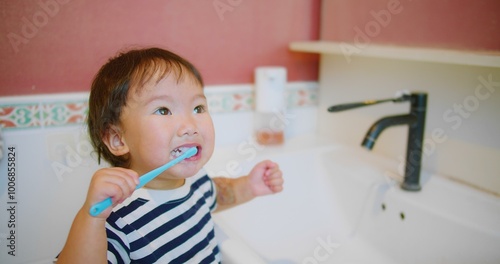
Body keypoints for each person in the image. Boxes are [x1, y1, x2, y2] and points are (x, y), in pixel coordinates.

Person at [56, 47, 284, 263]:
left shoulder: (196, 181)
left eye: (198, 108)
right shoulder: (119, 217)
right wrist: (92, 219)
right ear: (118, 139)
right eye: (163, 110)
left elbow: (218, 194)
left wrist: (250, 185)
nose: (189, 125)